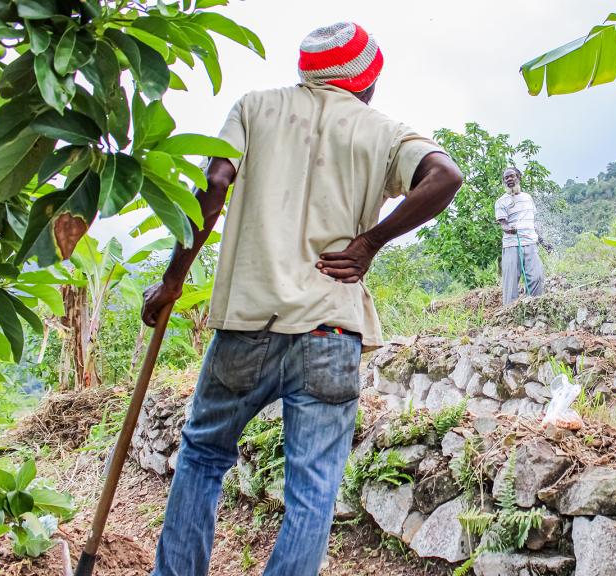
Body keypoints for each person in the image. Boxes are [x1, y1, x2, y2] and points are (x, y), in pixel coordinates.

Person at [140, 22, 462, 575]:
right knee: (312, 490)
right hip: (330, 331)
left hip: (248, 321)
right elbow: (445, 175)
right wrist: (369, 243)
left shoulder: (254, 108)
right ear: (367, 81)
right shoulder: (383, 130)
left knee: (202, 455)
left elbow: (214, 186)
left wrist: (173, 281)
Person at [495, 166, 547, 305]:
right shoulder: (501, 201)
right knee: (510, 282)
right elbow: (503, 224)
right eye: (506, 178)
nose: (509, 179)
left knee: (536, 277)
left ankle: (536, 307)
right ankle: (510, 312)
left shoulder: (528, 198)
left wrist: (543, 241)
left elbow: (532, 222)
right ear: (504, 182)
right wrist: (508, 229)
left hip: (530, 243)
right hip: (512, 245)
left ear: (519, 177)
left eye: (512, 176)